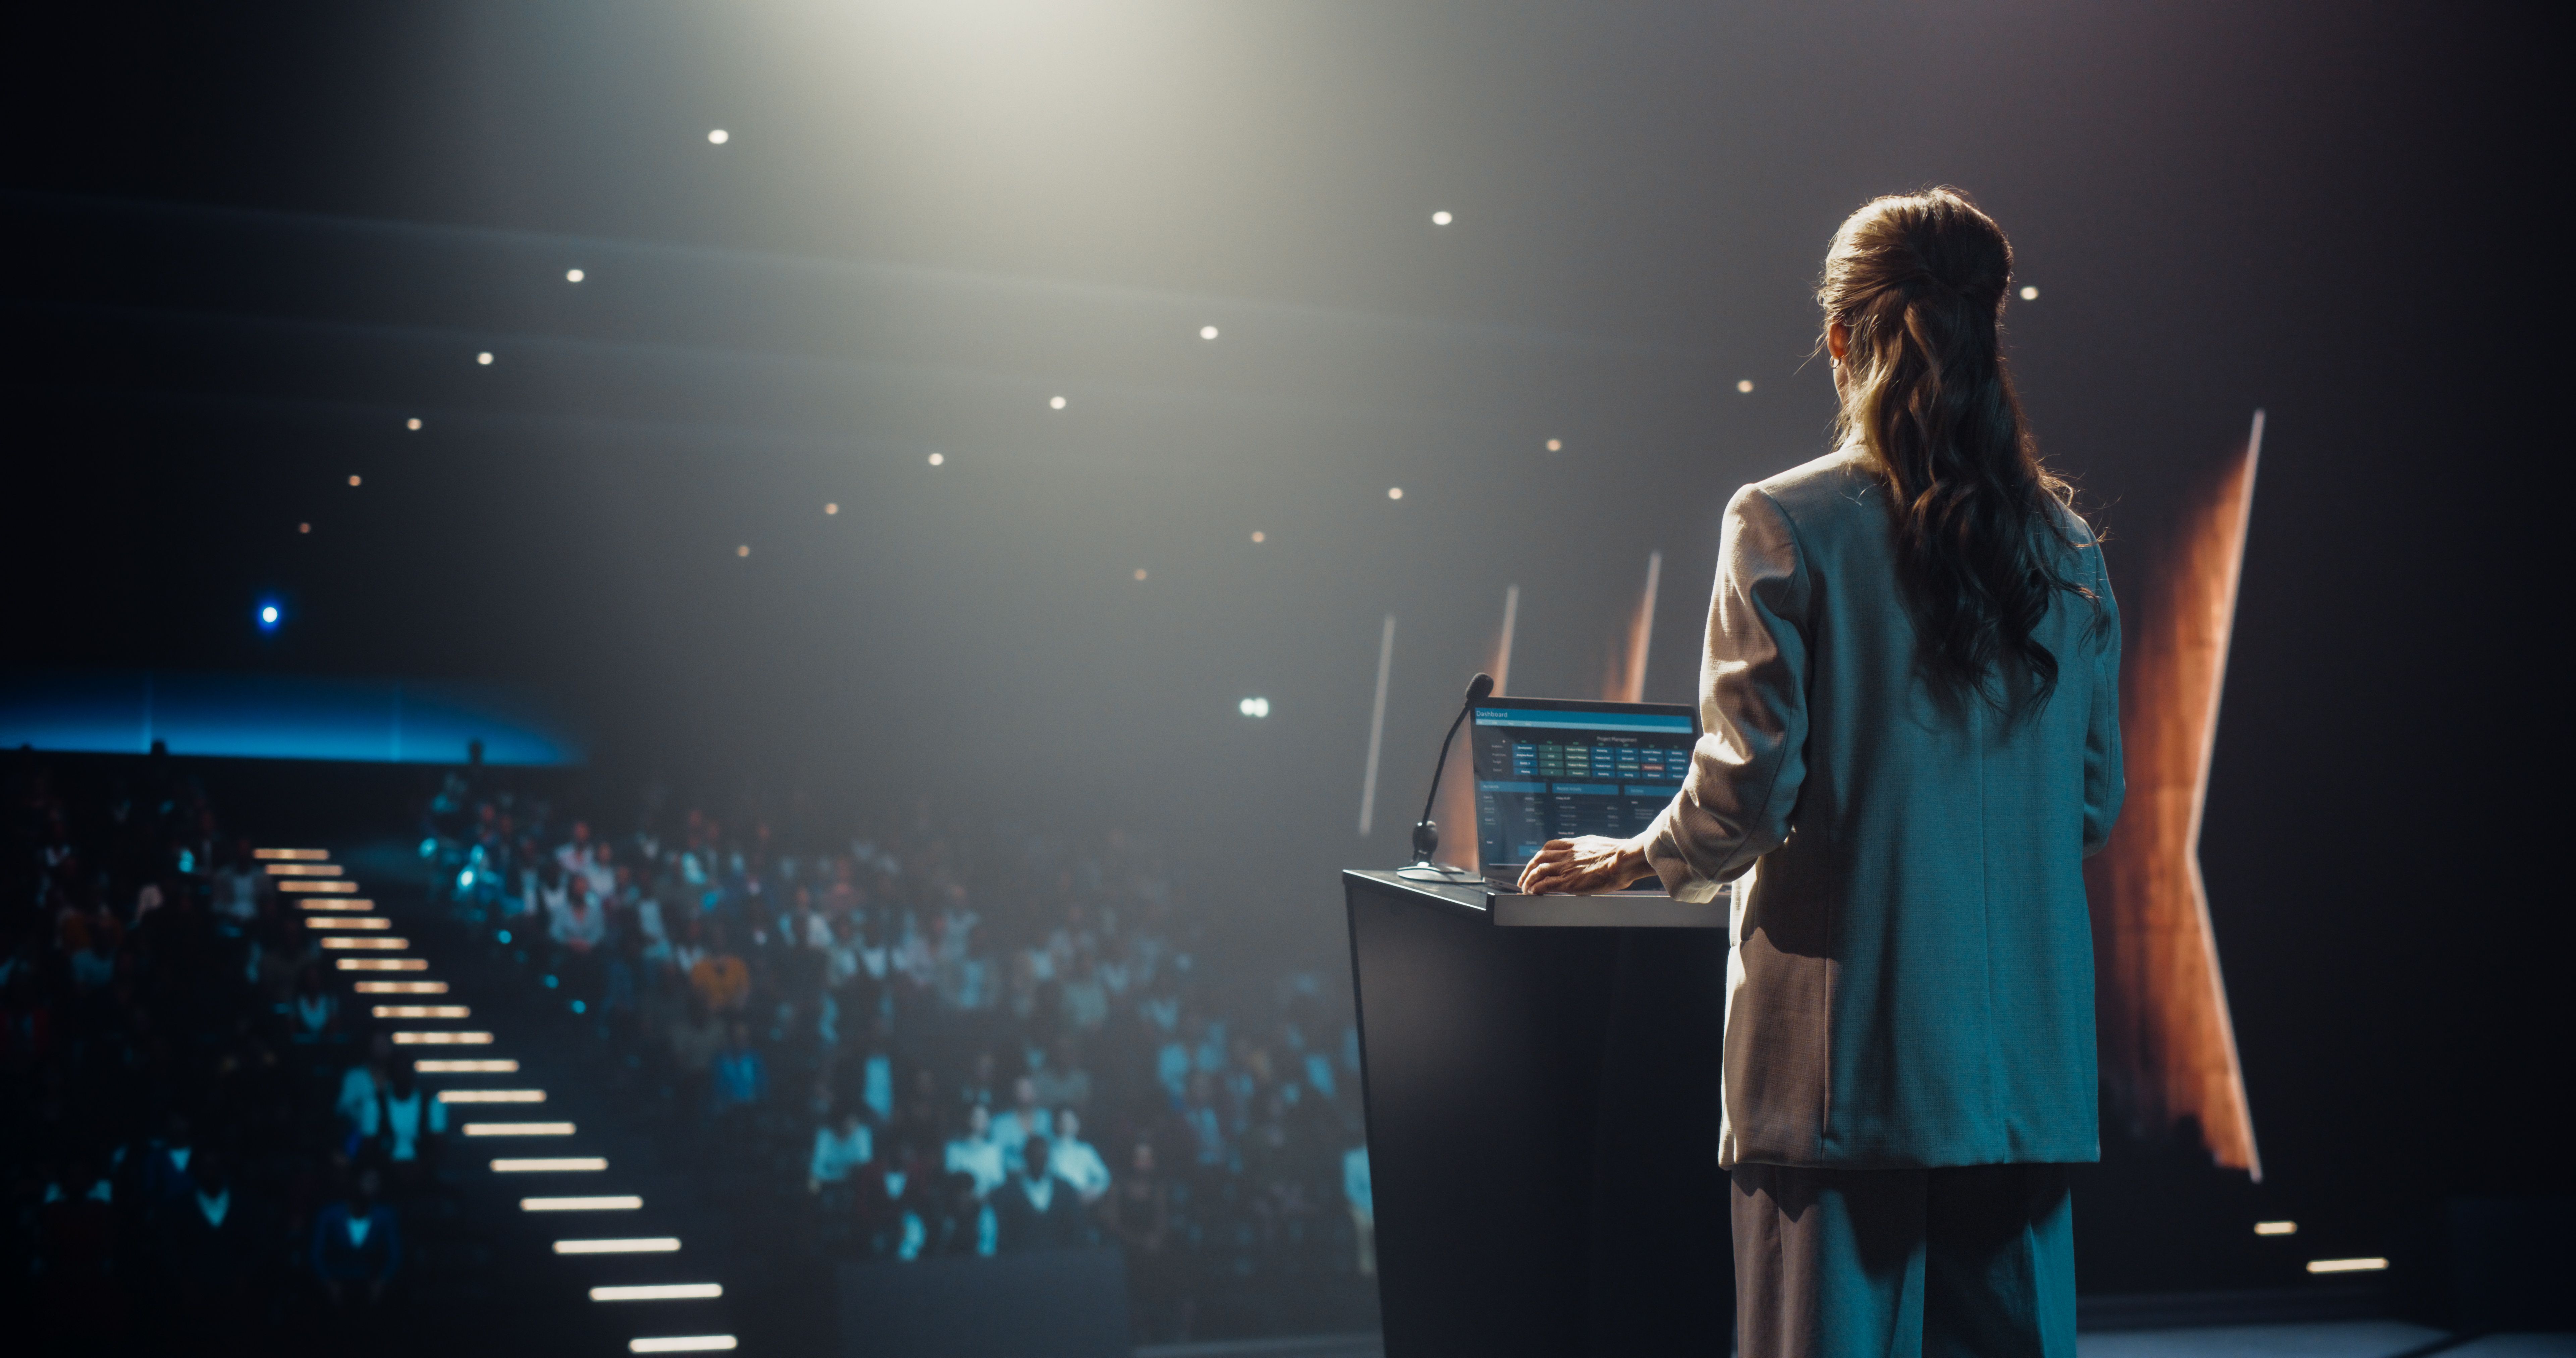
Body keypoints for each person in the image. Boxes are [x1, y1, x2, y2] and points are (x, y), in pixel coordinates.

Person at [1517, 187, 2122, 1358]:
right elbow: (2091, 804)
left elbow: (1741, 803)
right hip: (2026, 1084)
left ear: (1841, 338)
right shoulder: (2070, 549)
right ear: (1987, 332)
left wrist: (1630, 857)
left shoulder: (1784, 524)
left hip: (1847, 1080)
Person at [312, 1168, 401, 1307]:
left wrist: (382, 1282)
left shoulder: (386, 1215)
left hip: (371, 1285)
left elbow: (395, 1254)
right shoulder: (329, 1214)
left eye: (377, 1182)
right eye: (370, 1181)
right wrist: (328, 1283)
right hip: (335, 1284)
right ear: (355, 1182)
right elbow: (316, 1254)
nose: (375, 1186)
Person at [992, 1135, 1086, 1251]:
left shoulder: (1065, 1190)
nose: (1038, 1161)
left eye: (1042, 1156)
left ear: (1048, 1158)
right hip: (1019, 1262)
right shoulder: (1007, 1192)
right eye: (1034, 1156)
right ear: (1025, 1157)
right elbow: (1003, 1233)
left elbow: (1076, 1229)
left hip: (1060, 1261)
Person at [1047, 1108, 1112, 1204]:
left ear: (1077, 1124)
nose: (1066, 1124)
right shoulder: (1049, 1150)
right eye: (1063, 1121)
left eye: (1070, 1121)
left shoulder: (1086, 1150)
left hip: (1080, 1201)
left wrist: (1094, 1191)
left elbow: (1104, 1177)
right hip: (1056, 1201)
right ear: (1057, 1124)